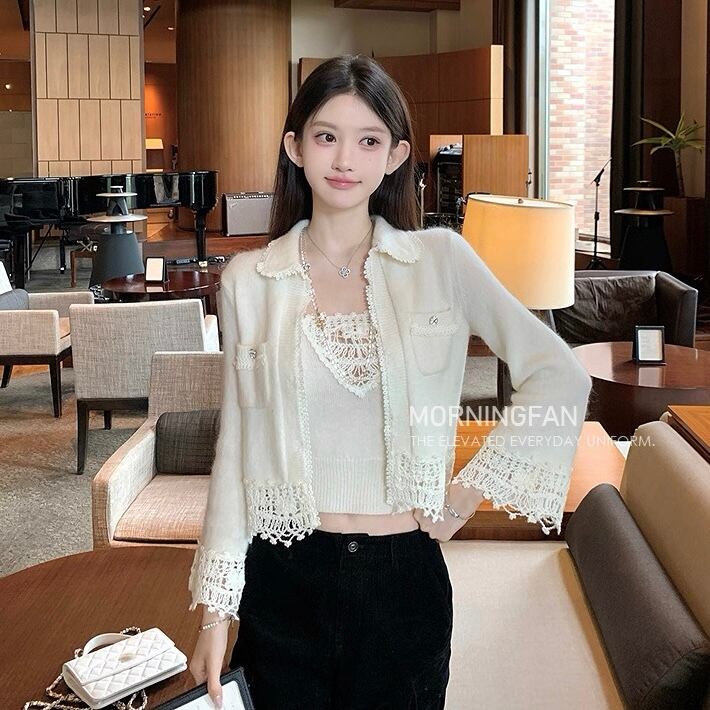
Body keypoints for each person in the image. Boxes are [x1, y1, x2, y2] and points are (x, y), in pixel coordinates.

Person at [188, 55, 591, 710]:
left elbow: (559, 374)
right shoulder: (248, 281)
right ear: (295, 147)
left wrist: (466, 495)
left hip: (404, 583)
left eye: (369, 140)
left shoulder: (440, 259)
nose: (345, 159)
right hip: (282, 579)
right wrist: (215, 611)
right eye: (326, 136)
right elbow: (236, 448)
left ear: (397, 155)